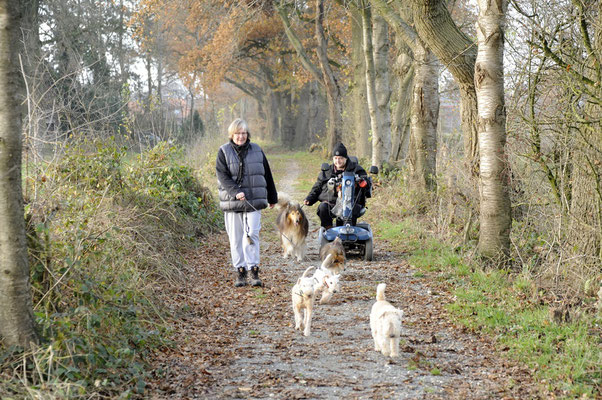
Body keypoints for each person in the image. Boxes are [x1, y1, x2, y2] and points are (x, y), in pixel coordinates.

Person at [216, 118, 278, 287]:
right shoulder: (223, 151)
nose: (241, 137)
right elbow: (222, 176)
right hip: (232, 203)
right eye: (237, 133)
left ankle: (254, 270)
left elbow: (266, 173)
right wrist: (236, 192)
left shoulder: (257, 150)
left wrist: (272, 197)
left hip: (254, 201)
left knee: (252, 235)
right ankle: (240, 272)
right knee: (236, 239)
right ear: (232, 134)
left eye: (243, 133)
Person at [303, 142, 369, 230]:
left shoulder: (357, 169)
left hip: (351, 202)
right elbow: (318, 186)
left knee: (351, 210)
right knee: (323, 208)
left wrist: (363, 182)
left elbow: (366, 183)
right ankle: (328, 230)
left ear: (346, 158)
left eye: (341, 158)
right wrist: (309, 199)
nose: (338, 161)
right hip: (332, 202)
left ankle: (348, 231)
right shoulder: (327, 171)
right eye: (336, 158)